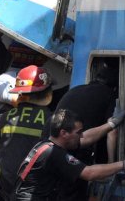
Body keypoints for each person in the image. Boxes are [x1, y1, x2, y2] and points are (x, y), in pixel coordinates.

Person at [13, 109, 125, 201]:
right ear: (64, 133)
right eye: (78, 132)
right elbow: (89, 173)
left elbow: (86, 138)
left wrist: (111, 124)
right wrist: (123, 164)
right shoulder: (53, 153)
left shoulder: (46, 145)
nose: (81, 135)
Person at [40, 64, 120, 200]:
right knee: (75, 185)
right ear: (114, 86)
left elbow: (85, 137)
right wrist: (112, 164)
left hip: (50, 137)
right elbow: (112, 132)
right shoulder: (109, 95)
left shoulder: (77, 89)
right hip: (67, 142)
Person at [0, 65, 53, 200]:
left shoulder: (3, 118)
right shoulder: (51, 119)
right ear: (47, 92)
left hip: (8, 186)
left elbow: (1, 147)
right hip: (36, 189)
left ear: (19, 93)